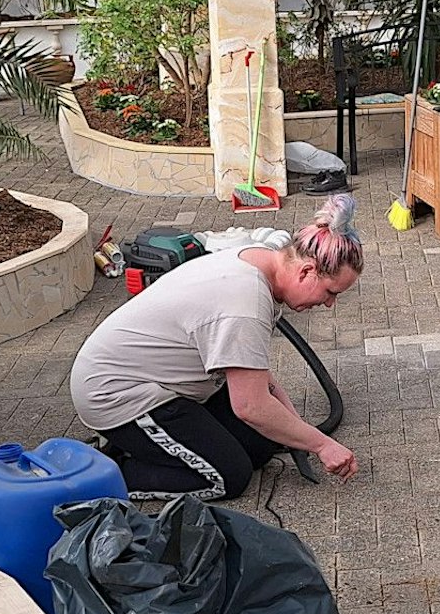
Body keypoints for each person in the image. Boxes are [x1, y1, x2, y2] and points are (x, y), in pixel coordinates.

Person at [69, 193, 364, 501]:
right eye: (331, 292)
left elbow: (252, 372)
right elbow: (250, 406)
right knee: (228, 477)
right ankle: (104, 474)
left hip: (161, 379)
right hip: (117, 395)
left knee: (259, 446)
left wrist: (301, 433)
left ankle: (151, 446)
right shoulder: (244, 301)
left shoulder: (264, 260)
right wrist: (322, 445)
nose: (330, 304)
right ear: (306, 271)